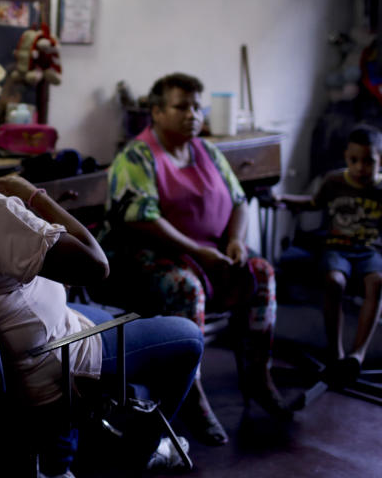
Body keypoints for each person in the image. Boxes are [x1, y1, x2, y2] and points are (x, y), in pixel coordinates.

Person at [0, 60, 204, 477]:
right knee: (188, 337)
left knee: (101, 313)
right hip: (46, 361)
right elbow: (96, 264)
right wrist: (33, 196)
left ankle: (76, 442)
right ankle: (140, 451)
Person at [99, 72, 290, 446]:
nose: (193, 115)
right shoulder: (136, 156)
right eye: (181, 107)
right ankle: (191, 392)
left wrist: (234, 241)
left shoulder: (207, 151)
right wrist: (196, 250)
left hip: (209, 250)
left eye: (196, 107)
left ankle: (258, 376)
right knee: (185, 288)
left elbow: (238, 201)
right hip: (150, 253)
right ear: (156, 111)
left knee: (262, 272)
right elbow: (143, 218)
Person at [277, 124, 382, 382]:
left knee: (377, 282)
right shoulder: (334, 181)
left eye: (368, 161)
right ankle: (335, 353)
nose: (360, 168)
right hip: (336, 246)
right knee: (334, 281)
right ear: (346, 156)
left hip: (370, 250)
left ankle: (357, 355)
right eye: (354, 160)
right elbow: (313, 203)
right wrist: (282, 199)